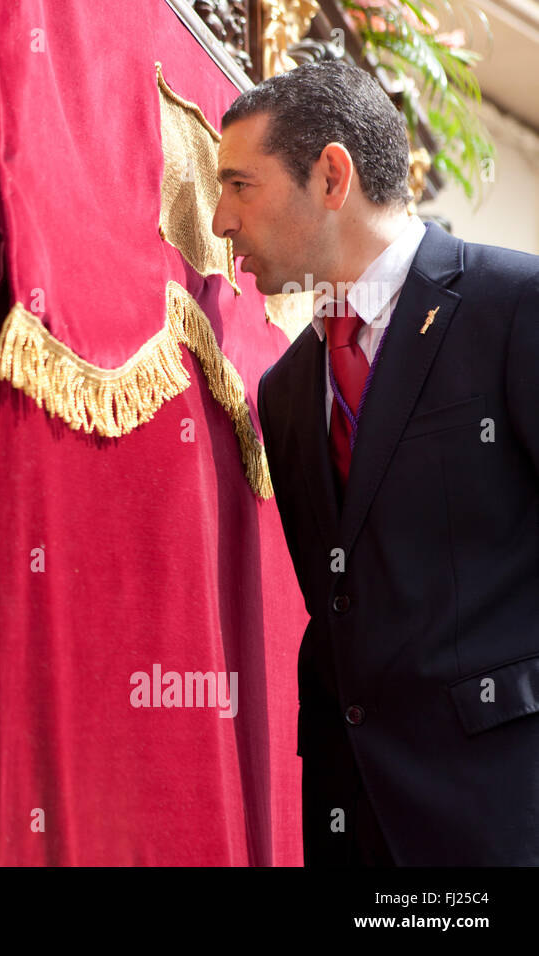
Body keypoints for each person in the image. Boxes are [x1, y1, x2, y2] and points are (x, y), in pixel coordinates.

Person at [212, 60, 539, 865]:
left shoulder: (515, 307)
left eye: (239, 185)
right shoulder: (284, 394)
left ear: (331, 174)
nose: (219, 220)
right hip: (353, 827)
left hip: (508, 815)